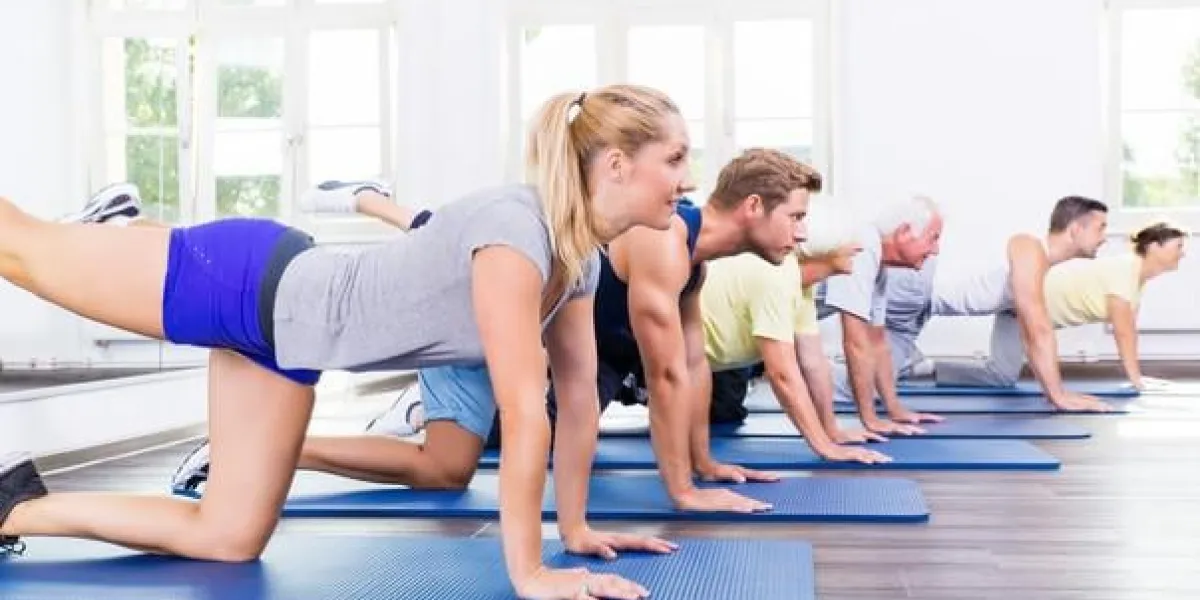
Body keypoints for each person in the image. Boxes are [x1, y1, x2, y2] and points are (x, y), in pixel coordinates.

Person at [0, 84, 696, 600]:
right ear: (614, 166)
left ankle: (13, 510)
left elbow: (576, 403)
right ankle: (115, 234)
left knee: (229, 538)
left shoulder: (578, 258)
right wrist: (532, 571)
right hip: (242, 283)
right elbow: (523, 412)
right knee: (20, 250)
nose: (687, 179)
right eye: (675, 159)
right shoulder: (518, 235)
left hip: (284, 347)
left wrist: (573, 531)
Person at [173, 148, 834, 515]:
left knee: (445, 472)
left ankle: (256, 451)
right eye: (797, 217)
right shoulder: (661, 239)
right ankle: (367, 197)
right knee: (449, 250)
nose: (803, 235)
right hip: (477, 319)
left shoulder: (695, 261)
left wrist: (706, 463)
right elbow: (664, 376)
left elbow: (690, 366)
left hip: (524, 336)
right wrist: (686, 490)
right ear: (754, 208)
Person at [890, 216, 1186, 393]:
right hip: (1022, 299)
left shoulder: (1137, 280)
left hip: (1022, 311)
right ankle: (894, 308)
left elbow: (1126, 329)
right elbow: (1124, 332)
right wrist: (1137, 380)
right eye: (1178, 247)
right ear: (1154, 247)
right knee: (944, 301)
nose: (1182, 254)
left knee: (1001, 377)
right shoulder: (1126, 269)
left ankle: (920, 367)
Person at [884, 195, 1115, 412]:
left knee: (1002, 376)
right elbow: (1038, 329)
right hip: (912, 293)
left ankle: (921, 367)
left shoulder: (1037, 270)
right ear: (1075, 229)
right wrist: (1058, 395)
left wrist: (1052, 390)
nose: (1104, 237)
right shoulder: (1028, 247)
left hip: (924, 305)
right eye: (1100, 228)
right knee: (866, 382)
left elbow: (1028, 329)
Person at [699, 199, 891, 458]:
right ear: (825, 247)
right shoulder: (775, 277)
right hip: (646, 355)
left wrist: (831, 429)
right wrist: (825, 448)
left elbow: (813, 362)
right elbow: (783, 375)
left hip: (710, 365)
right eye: (851, 241)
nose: (859, 248)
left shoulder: (801, 286)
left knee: (723, 412)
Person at [814, 196, 946, 437]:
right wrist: (870, 419)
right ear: (905, 232)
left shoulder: (878, 267)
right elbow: (855, 343)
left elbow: (876, 343)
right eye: (933, 238)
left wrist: (894, 409)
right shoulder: (862, 247)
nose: (935, 249)